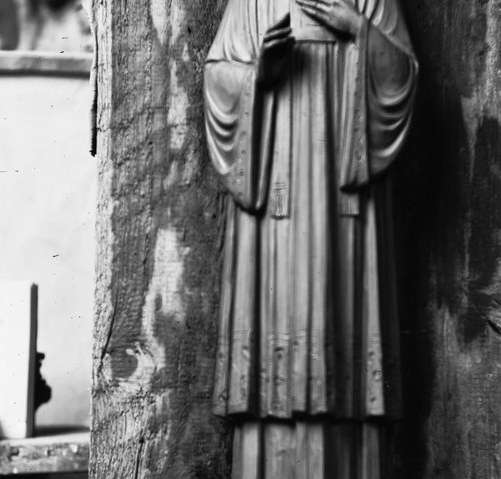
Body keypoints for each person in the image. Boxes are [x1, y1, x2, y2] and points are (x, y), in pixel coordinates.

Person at [204, 0, 418, 476]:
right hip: (275, 196)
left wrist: (360, 31)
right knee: (271, 361)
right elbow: (218, 75)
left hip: (343, 206)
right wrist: (258, 73)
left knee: (347, 332)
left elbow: (401, 76)